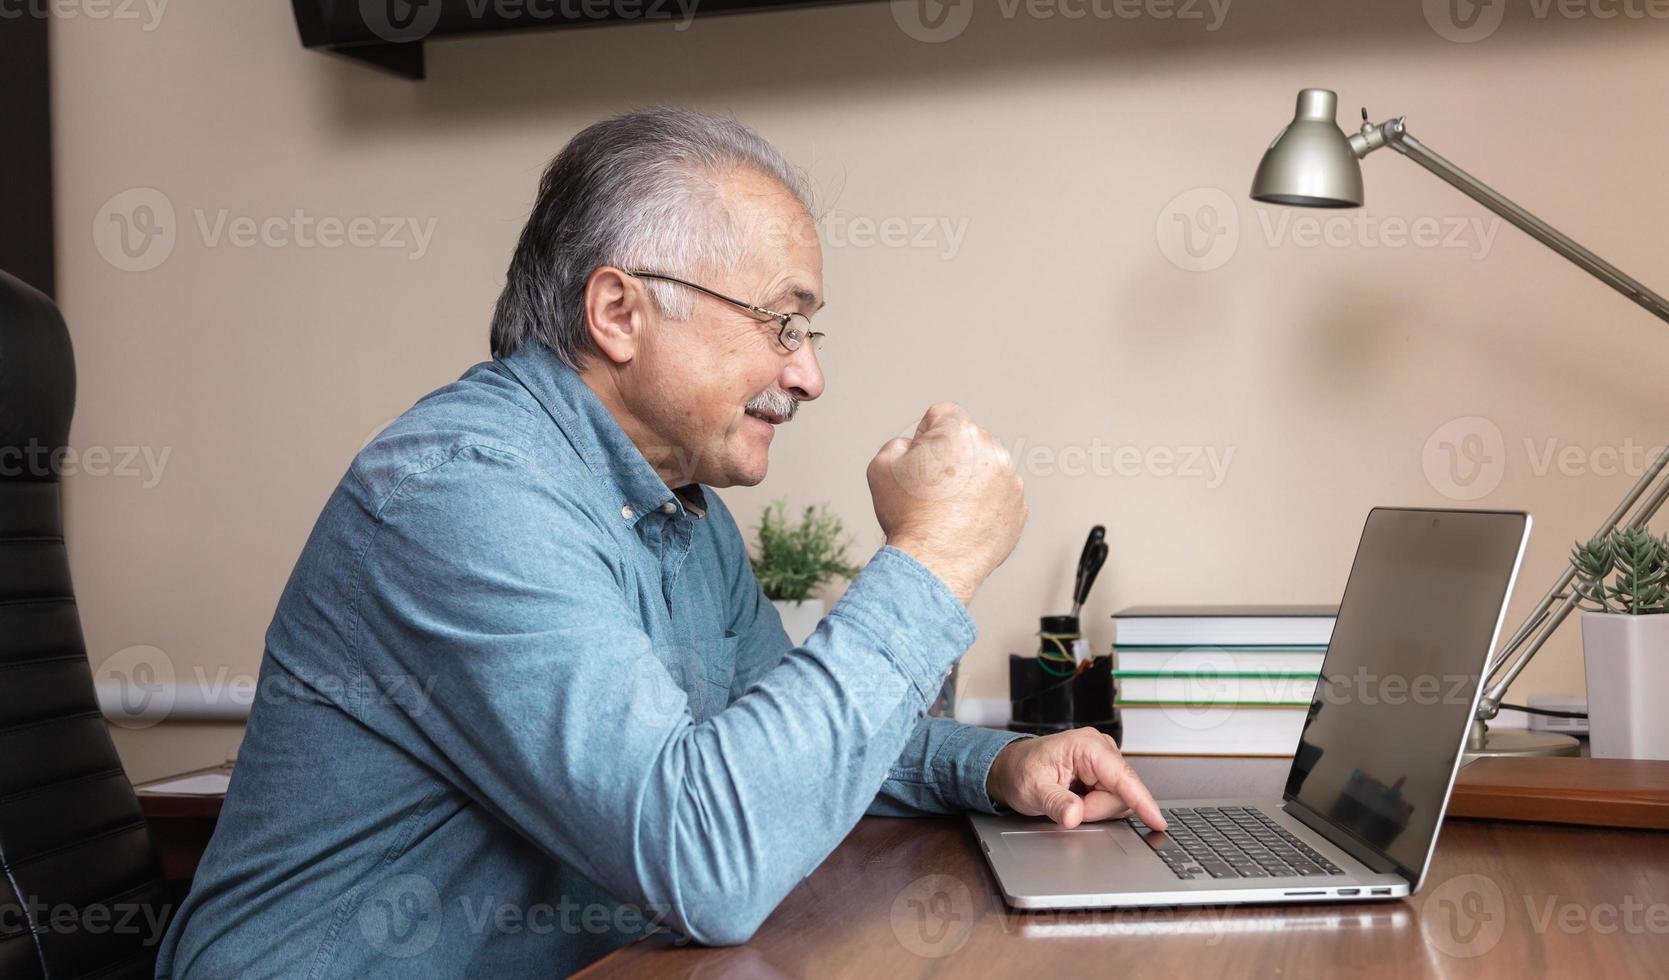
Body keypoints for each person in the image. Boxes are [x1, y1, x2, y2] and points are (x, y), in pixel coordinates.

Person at [155, 107, 1164, 978]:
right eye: (782, 321)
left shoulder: (682, 509)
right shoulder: (462, 494)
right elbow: (707, 859)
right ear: (617, 311)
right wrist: (936, 553)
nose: (808, 374)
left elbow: (788, 756)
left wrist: (998, 766)